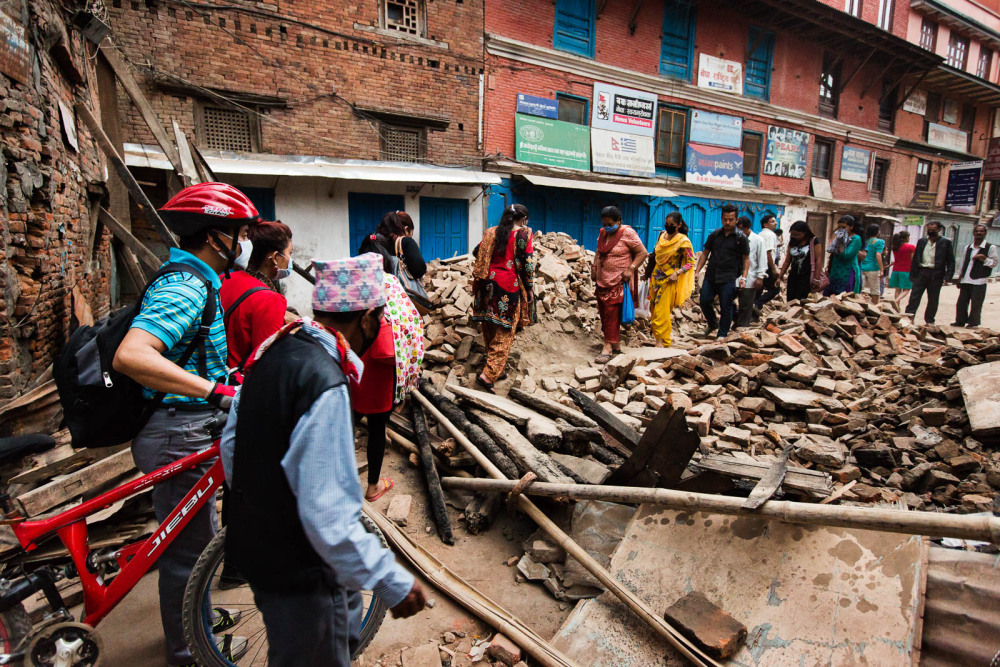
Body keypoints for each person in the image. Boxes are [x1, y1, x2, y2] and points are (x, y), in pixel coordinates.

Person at [222, 254, 426, 667]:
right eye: (381, 320)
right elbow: (329, 517)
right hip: (304, 573)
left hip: (256, 551)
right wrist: (391, 580)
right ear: (367, 319)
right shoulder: (325, 383)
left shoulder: (273, 350)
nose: (382, 328)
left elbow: (231, 447)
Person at [113, 182, 258, 666]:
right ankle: (187, 652)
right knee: (188, 552)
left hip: (187, 425)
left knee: (196, 536)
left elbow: (198, 357)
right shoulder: (186, 286)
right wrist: (214, 391)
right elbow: (132, 355)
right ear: (216, 238)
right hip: (176, 428)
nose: (243, 244)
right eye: (238, 233)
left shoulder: (201, 283)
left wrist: (230, 378)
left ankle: (195, 620)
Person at [353, 236, 426, 501]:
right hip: (381, 367)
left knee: (347, 425)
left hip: (353, 364)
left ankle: (338, 480)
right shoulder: (391, 282)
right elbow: (411, 322)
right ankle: (373, 487)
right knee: (376, 429)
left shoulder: (350, 283)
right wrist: (410, 368)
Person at [470, 204, 535, 389]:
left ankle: (498, 370)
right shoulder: (523, 234)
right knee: (504, 334)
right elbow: (528, 263)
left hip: (486, 285)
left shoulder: (491, 232)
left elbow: (477, 252)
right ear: (523, 219)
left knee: (490, 329)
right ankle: (488, 376)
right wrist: (529, 287)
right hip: (508, 286)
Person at [220, 220, 293, 372]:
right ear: (275, 258)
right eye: (289, 254)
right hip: (242, 384)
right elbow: (267, 362)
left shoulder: (224, 279)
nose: (289, 260)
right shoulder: (270, 299)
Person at [592, 205, 648, 363]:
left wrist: (631, 269)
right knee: (604, 313)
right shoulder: (603, 233)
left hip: (618, 280)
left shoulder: (628, 233)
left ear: (619, 221)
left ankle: (608, 346)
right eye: (605, 224)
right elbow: (598, 251)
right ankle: (615, 343)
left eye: (610, 224)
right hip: (602, 280)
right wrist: (594, 267)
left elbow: (642, 252)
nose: (607, 227)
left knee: (612, 313)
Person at [694, 204, 749, 339]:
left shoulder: (741, 238)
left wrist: (744, 277)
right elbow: (705, 253)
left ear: (736, 220)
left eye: (731, 219)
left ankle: (722, 333)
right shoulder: (715, 235)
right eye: (725, 219)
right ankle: (713, 324)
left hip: (729, 277)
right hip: (711, 275)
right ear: (721, 218)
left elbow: (746, 259)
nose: (727, 222)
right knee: (705, 301)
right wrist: (697, 271)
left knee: (726, 306)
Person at [648, 213, 694, 347]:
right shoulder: (662, 236)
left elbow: (690, 262)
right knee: (653, 309)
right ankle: (661, 339)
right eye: (666, 224)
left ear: (679, 225)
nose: (668, 226)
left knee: (661, 312)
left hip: (669, 280)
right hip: (655, 278)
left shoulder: (683, 241)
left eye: (671, 225)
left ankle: (661, 342)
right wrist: (647, 274)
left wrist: (678, 273)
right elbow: (654, 256)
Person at [906, 221, 955, 324]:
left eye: (933, 230)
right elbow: (916, 258)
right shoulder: (922, 241)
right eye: (929, 230)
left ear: (939, 230)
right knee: (914, 296)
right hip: (922, 272)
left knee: (933, 298)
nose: (931, 231)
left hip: (936, 273)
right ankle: (909, 318)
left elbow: (951, 260)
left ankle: (929, 320)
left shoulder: (945, 242)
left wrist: (948, 276)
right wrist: (913, 274)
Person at [953, 223, 998, 328]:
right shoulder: (968, 247)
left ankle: (973, 323)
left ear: (985, 233)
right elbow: (963, 262)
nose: (979, 233)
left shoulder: (990, 247)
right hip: (966, 279)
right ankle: (960, 321)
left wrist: (984, 259)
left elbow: (994, 263)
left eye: (981, 231)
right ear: (973, 233)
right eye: (977, 231)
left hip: (979, 280)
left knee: (976, 303)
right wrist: (960, 277)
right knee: (961, 302)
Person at [775, 221, 822, 301]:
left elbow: (818, 260)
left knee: (801, 299)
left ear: (805, 232)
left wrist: (816, 278)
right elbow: (787, 260)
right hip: (793, 275)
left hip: (806, 276)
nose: (795, 236)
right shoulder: (793, 241)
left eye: (798, 234)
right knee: (790, 299)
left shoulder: (814, 241)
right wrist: (780, 276)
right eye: (793, 234)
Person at [735, 217, 767, 328]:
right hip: (734, 276)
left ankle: (742, 327)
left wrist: (760, 277)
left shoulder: (758, 240)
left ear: (747, 228)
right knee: (727, 301)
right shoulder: (735, 238)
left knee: (745, 305)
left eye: (740, 229)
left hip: (750, 277)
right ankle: (736, 321)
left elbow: (762, 259)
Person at [374, 210, 426, 279]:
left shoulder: (372, 240)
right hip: (396, 288)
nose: (410, 236)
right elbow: (419, 270)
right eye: (411, 233)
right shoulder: (406, 242)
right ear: (406, 229)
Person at [825, 215, 863, 295]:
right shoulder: (838, 238)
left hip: (847, 272)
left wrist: (840, 243)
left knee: (845, 297)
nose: (841, 230)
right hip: (835, 271)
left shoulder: (856, 239)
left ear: (851, 227)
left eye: (844, 227)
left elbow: (846, 255)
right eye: (839, 227)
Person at [755, 214, 781, 309]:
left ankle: (753, 309)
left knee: (759, 288)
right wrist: (773, 268)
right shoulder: (770, 235)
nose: (775, 223)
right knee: (775, 289)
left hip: (758, 265)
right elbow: (768, 252)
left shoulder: (760, 234)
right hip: (767, 265)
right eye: (772, 221)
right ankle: (757, 303)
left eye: (775, 221)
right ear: (765, 225)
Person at [888, 231, 915, 309]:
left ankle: (897, 308)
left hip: (896, 270)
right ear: (906, 237)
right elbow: (913, 260)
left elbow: (896, 259)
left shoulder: (895, 247)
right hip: (907, 270)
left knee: (897, 289)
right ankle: (896, 301)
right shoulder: (911, 247)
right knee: (907, 289)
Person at [859, 223, 885, 304]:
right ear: (878, 232)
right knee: (875, 290)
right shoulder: (880, 242)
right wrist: (881, 269)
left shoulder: (864, 241)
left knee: (860, 288)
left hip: (862, 267)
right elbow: (878, 255)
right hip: (873, 268)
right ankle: (875, 307)